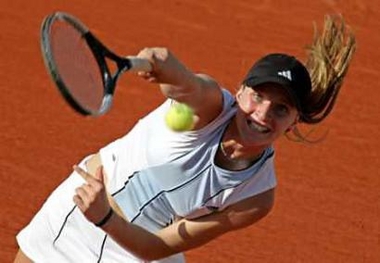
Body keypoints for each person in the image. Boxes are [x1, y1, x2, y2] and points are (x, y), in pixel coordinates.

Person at [14, 15, 356, 263]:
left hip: (135, 246)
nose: (263, 115)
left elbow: (156, 248)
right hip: (78, 214)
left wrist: (104, 217)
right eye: (257, 97)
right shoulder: (208, 106)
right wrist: (163, 64)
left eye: (281, 110)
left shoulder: (256, 196)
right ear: (238, 93)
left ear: (294, 123)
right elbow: (184, 83)